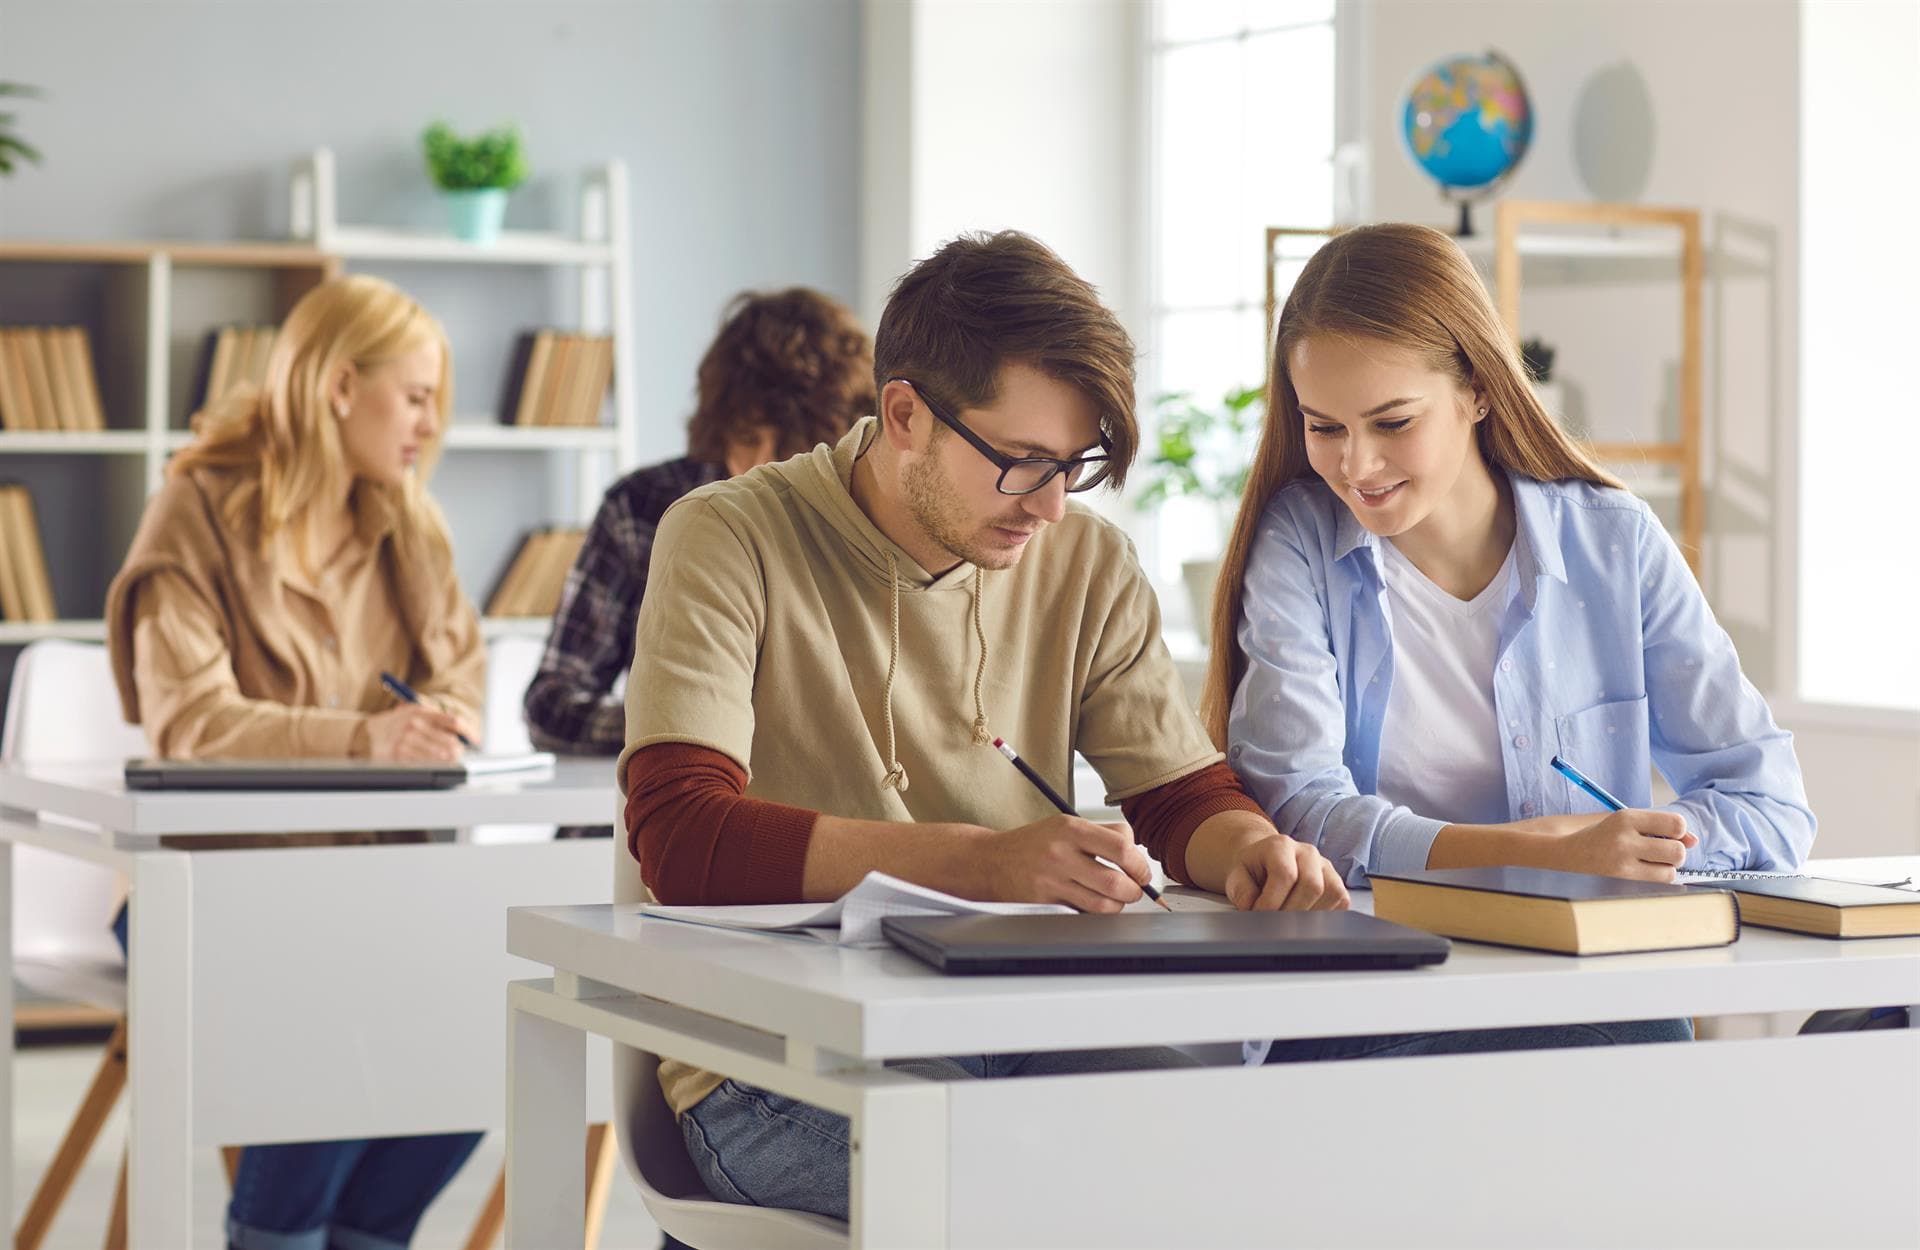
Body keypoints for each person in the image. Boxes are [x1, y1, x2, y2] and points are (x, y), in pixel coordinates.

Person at [617, 231, 1349, 1221]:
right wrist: (989, 862)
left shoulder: (1085, 561)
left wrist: (1255, 851)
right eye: (1021, 462)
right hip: (770, 1064)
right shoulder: (727, 534)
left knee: (1253, 1170)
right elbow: (683, 836)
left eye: (1076, 465)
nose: (1049, 507)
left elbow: (1179, 796)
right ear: (905, 413)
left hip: (1011, 1022)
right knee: (1069, 1203)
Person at [1204, 221, 1814, 892]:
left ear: (1478, 390)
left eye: (1393, 422)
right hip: (1390, 979)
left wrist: (1637, 846)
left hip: (1593, 987)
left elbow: (1771, 806)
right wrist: (1539, 850)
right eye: (1324, 427)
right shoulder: (1300, 544)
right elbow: (1297, 811)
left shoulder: (1614, 542)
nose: (1355, 465)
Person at [104, 274, 484, 1250]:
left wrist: (446, 718)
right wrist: (360, 735)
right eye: (415, 395)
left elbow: (462, 684)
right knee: (339, 994)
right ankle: (275, 1233)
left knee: (503, 1008)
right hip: (214, 888)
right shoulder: (192, 509)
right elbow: (188, 717)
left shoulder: (412, 523)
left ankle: (354, 1231)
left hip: (382, 880)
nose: (431, 422)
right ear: (340, 385)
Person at [523, 288, 875, 772]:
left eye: (790, 448)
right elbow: (549, 705)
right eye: (744, 440)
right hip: (652, 813)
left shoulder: (866, 524)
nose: (755, 467)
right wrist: (682, 724)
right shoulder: (642, 507)